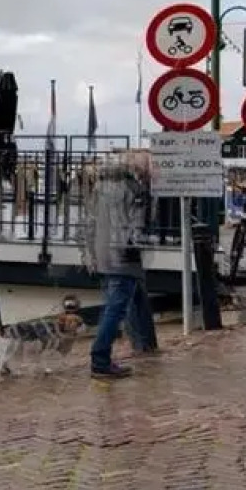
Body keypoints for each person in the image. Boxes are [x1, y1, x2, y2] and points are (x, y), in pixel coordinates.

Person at [81, 156, 154, 379]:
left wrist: (89, 254)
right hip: (124, 256)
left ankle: (139, 344)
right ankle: (100, 359)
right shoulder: (134, 189)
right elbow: (137, 226)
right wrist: (142, 248)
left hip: (103, 255)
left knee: (111, 306)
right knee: (116, 310)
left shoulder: (99, 189)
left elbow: (88, 224)